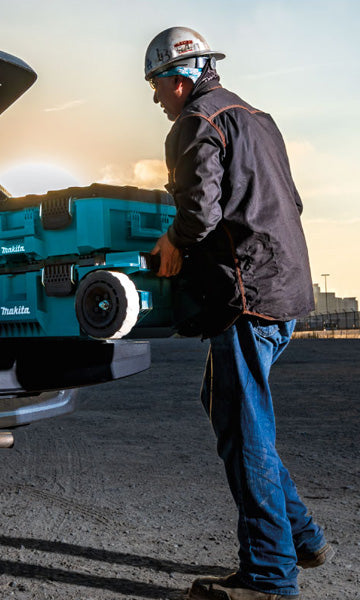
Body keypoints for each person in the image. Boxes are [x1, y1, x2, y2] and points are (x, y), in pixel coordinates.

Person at [145, 27, 333, 600]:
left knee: (245, 430)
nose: (154, 98)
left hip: (246, 299)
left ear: (179, 80)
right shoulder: (259, 118)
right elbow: (291, 203)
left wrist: (173, 241)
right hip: (285, 291)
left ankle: (271, 578)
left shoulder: (195, 124)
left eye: (155, 85)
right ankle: (301, 535)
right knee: (231, 412)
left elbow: (199, 213)